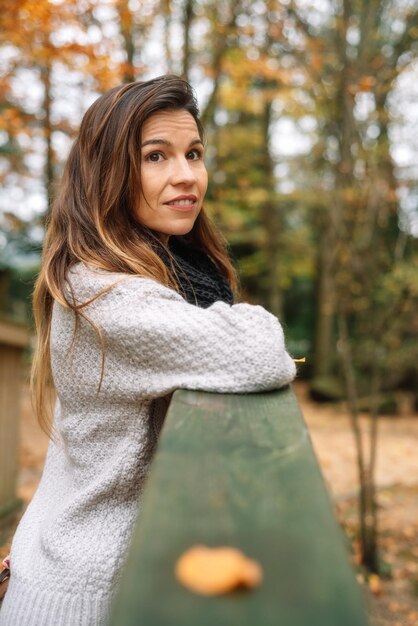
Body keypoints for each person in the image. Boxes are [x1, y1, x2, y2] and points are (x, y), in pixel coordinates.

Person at [0, 75, 296, 626]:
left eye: (194, 153)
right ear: (107, 173)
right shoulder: (104, 296)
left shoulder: (159, 275)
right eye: (155, 156)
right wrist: (244, 320)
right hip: (81, 602)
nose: (186, 176)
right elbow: (259, 352)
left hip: (84, 577)